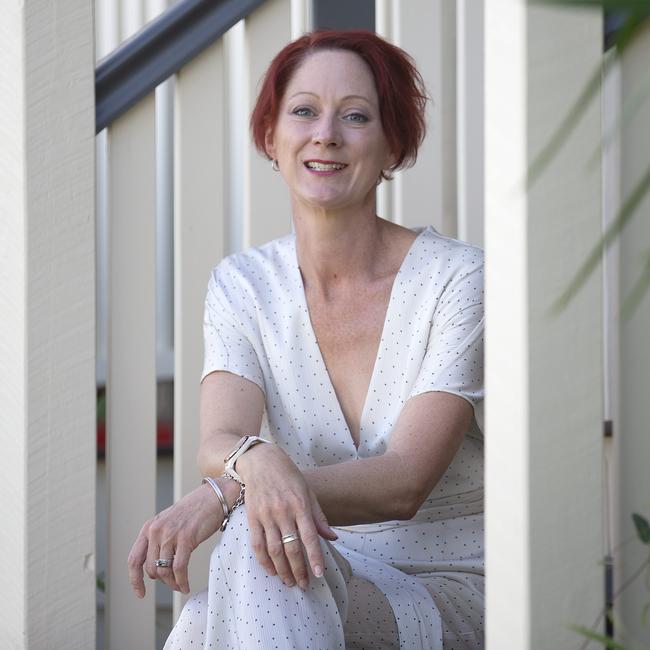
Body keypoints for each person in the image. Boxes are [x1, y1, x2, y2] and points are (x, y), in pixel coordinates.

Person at [128, 29, 485, 649]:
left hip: (445, 585)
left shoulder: (459, 280)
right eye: (303, 111)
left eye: (356, 115)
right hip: (310, 566)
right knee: (259, 547)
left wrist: (232, 490)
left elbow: (405, 481)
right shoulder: (244, 286)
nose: (326, 134)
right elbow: (220, 437)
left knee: (246, 552)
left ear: (393, 143)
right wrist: (254, 468)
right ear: (271, 137)